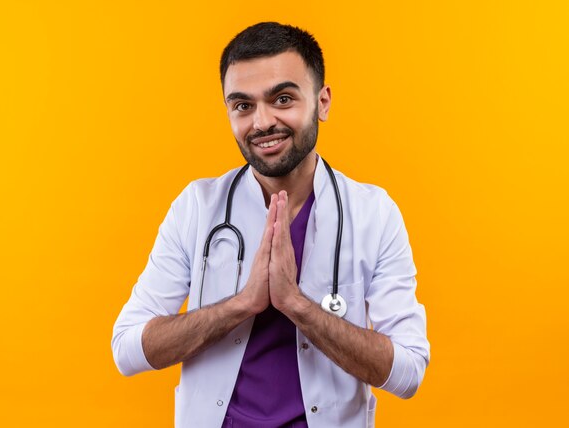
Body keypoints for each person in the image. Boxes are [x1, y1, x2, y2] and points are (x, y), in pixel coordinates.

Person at [112, 22, 429, 428]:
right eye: (243, 105)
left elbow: (408, 373)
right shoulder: (197, 207)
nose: (262, 123)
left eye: (282, 99)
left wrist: (297, 305)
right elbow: (127, 350)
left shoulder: (373, 214)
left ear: (323, 102)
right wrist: (242, 304)